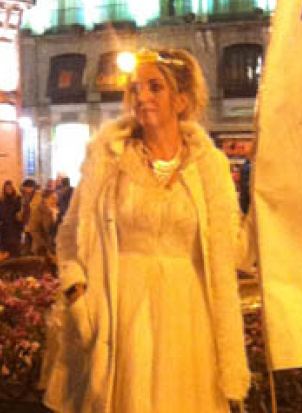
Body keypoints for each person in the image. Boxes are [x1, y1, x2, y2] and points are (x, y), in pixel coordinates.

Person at [44, 48, 252, 412]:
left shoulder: (210, 166)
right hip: (120, 311)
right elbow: (69, 235)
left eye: (155, 87)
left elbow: (230, 252)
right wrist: (76, 294)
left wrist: (264, 211)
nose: (141, 97)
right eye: (136, 88)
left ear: (181, 99)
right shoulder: (107, 159)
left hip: (188, 318)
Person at [25, 188, 57, 259]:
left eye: (56, 198)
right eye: (53, 198)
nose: (55, 200)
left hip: (55, 246)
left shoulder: (57, 210)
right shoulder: (38, 210)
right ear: (45, 199)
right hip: (42, 248)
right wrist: (43, 244)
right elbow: (33, 229)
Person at [0, 180, 22, 259]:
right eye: (6, 188)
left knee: (15, 251)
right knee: (5, 252)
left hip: (15, 229)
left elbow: (20, 213)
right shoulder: (2, 201)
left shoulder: (18, 199)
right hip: (4, 230)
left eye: (10, 188)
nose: (8, 190)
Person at [17, 178, 39, 253]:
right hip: (26, 223)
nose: (27, 189)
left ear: (33, 187)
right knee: (27, 242)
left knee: (35, 245)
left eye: (29, 187)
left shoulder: (38, 197)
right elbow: (23, 209)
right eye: (26, 187)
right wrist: (19, 215)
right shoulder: (24, 197)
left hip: (35, 224)